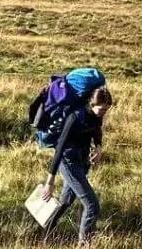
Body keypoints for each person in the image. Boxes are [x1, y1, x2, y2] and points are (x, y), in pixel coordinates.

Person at [41, 68, 113, 246]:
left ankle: (45, 229)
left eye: (106, 109)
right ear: (91, 103)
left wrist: (98, 147)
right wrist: (50, 182)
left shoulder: (96, 116)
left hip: (82, 160)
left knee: (66, 200)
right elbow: (59, 148)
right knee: (92, 205)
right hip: (68, 161)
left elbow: (96, 129)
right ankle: (84, 244)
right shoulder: (74, 117)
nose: (103, 112)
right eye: (101, 109)